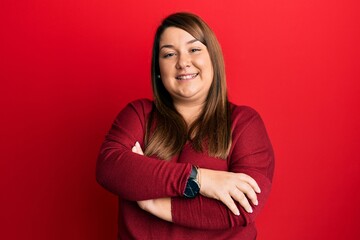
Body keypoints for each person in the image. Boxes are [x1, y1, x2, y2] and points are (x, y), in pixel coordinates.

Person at [96, 12, 274, 240]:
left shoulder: (245, 123)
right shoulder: (139, 115)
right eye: (169, 54)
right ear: (158, 70)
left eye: (194, 49)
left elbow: (243, 208)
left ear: (213, 59)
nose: (182, 62)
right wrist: (200, 180)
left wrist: (154, 203)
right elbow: (110, 168)